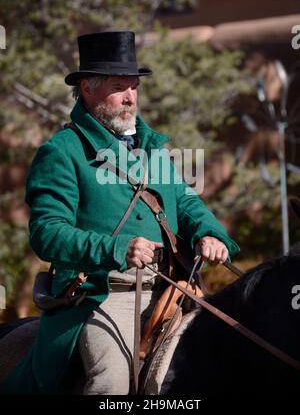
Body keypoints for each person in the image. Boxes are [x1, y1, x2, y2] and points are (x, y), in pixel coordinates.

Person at [1, 31, 239, 395]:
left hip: (171, 291)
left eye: (134, 87)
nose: (130, 97)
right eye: (118, 87)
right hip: (103, 294)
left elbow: (185, 203)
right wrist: (117, 249)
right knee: (111, 382)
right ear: (87, 89)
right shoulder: (62, 151)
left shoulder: (153, 147)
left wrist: (210, 234)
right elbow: (46, 233)